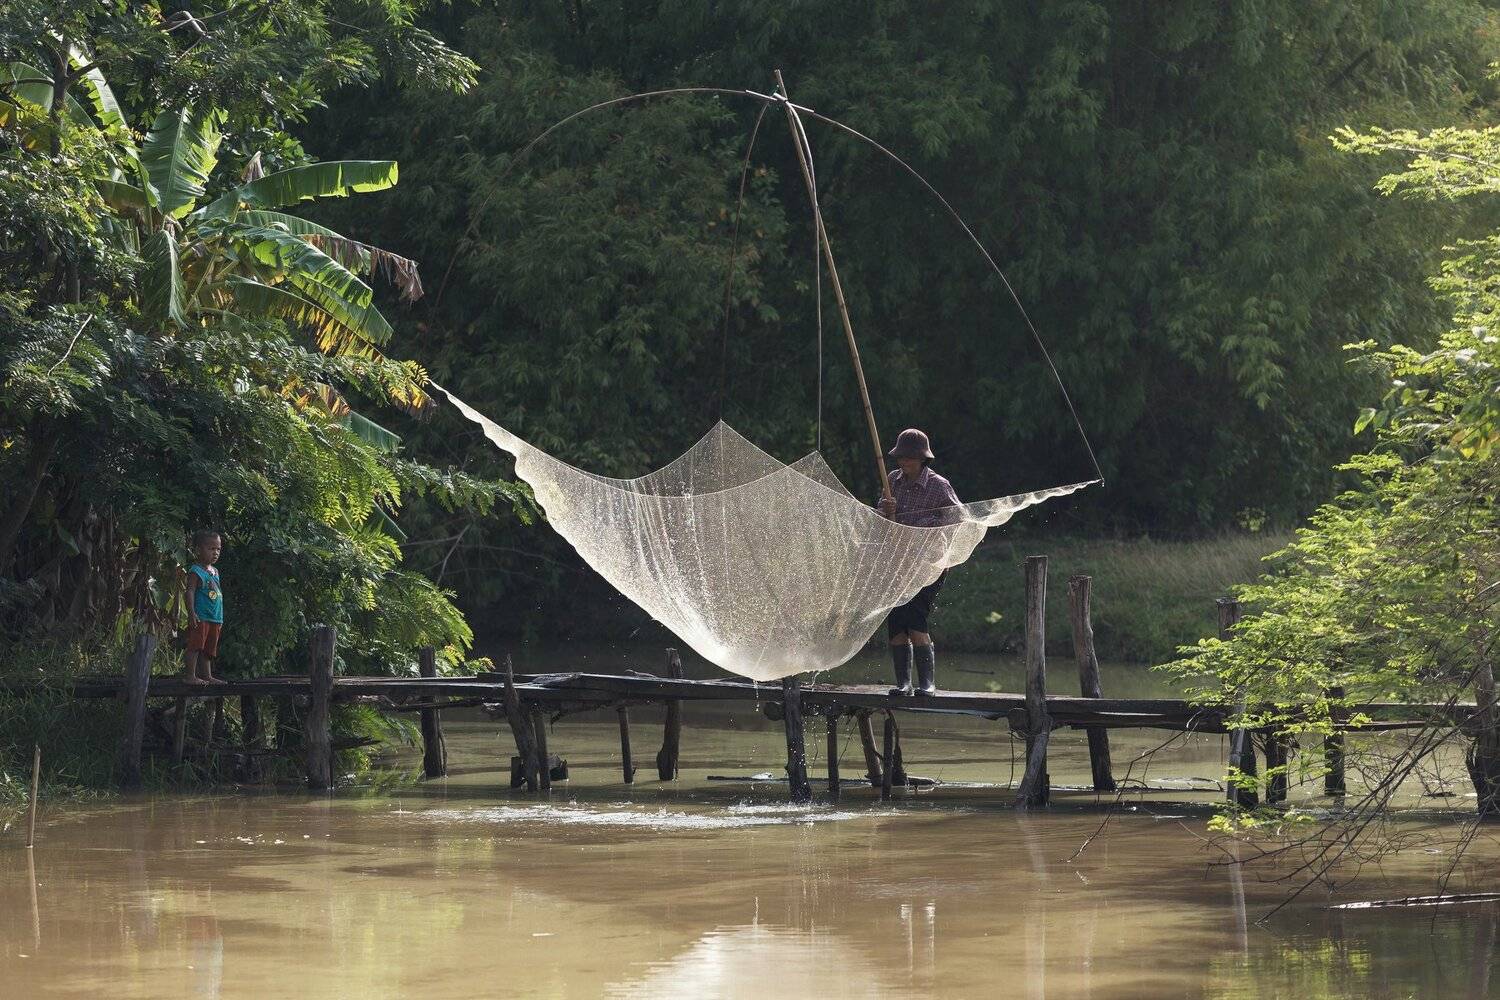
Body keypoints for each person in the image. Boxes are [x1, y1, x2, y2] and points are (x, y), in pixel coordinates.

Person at [877, 429, 960, 696]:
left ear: (923, 459)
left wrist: (925, 527)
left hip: (928, 567)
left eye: (910, 457)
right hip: (897, 566)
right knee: (897, 624)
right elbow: (882, 522)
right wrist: (886, 512)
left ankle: (927, 684)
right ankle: (903, 684)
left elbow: (956, 521)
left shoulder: (939, 485)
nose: (904, 462)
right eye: (901, 457)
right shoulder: (892, 481)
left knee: (916, 620)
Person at [182, 529, 226, 685]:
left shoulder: (215, 571)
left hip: (215, 616)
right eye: (211, 548)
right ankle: (190, 676)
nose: (215, 553)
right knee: (195, 645)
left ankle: (207, 675)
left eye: (218, 549)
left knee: (209, 648)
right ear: (199, 550)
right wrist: (191, 612)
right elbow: (190, 591)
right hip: (201, 615)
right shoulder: (196, 571)